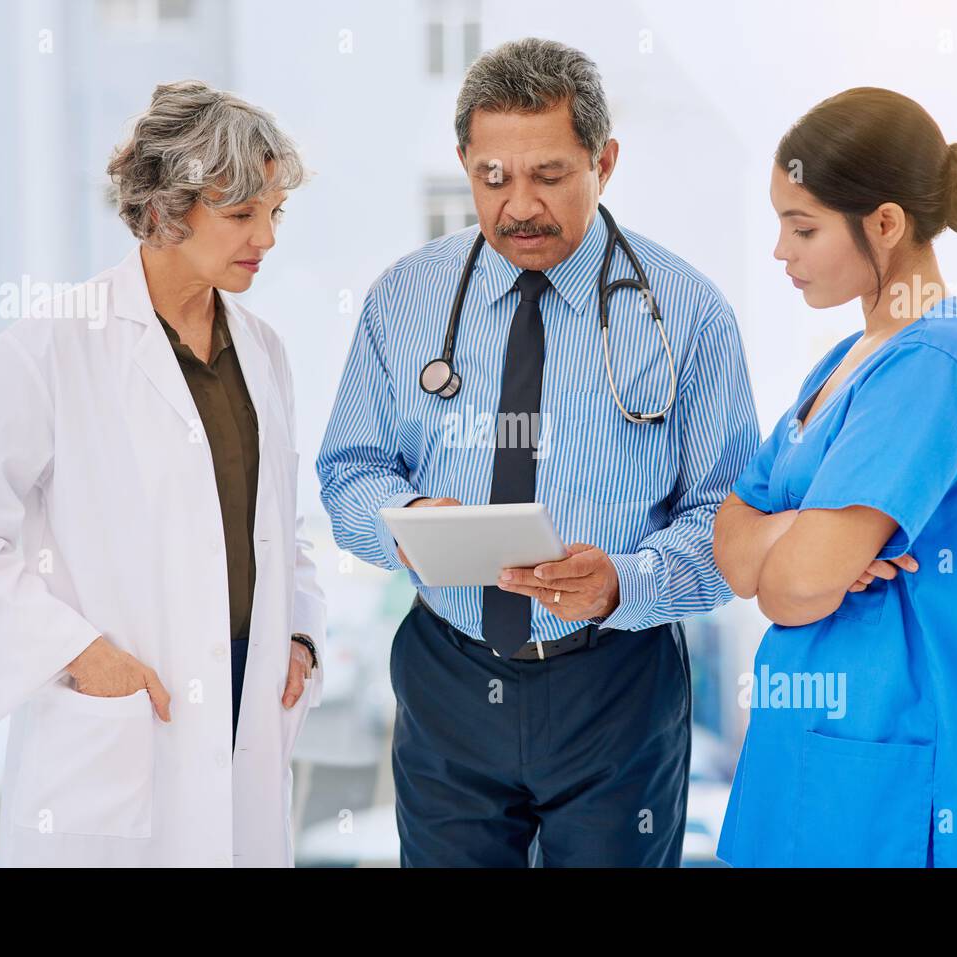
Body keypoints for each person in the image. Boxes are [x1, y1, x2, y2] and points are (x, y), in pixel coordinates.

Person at [316, 38, 760, 867]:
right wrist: (408, 521)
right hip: (449, 676)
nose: (519, 205)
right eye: (493, 177)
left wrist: (629, 579)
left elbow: (729, 519)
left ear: (605, 162)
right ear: (463, 162)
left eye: (550, 175)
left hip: (616, 685)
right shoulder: (402, 301)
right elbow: (349, 470)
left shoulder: (689, 314)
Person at [0, 80, 325, 867]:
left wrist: (299, 634)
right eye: (242, 214)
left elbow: (277, 525)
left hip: (247, 705)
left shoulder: (264, 350)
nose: (266, 237)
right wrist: (78, 652)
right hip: (125, 723)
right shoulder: (54, 346)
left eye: (275, 212)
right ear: (168, 209)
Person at [713, 87, 957, 867]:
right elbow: (731, 549)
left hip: (897, 775)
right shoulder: (841, 365)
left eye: (803, 227)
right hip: (814, 758)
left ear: (887, 223)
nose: (780, 252)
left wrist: (792, 548)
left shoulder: (936, 363)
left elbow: (789, 586)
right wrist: (808, 538)